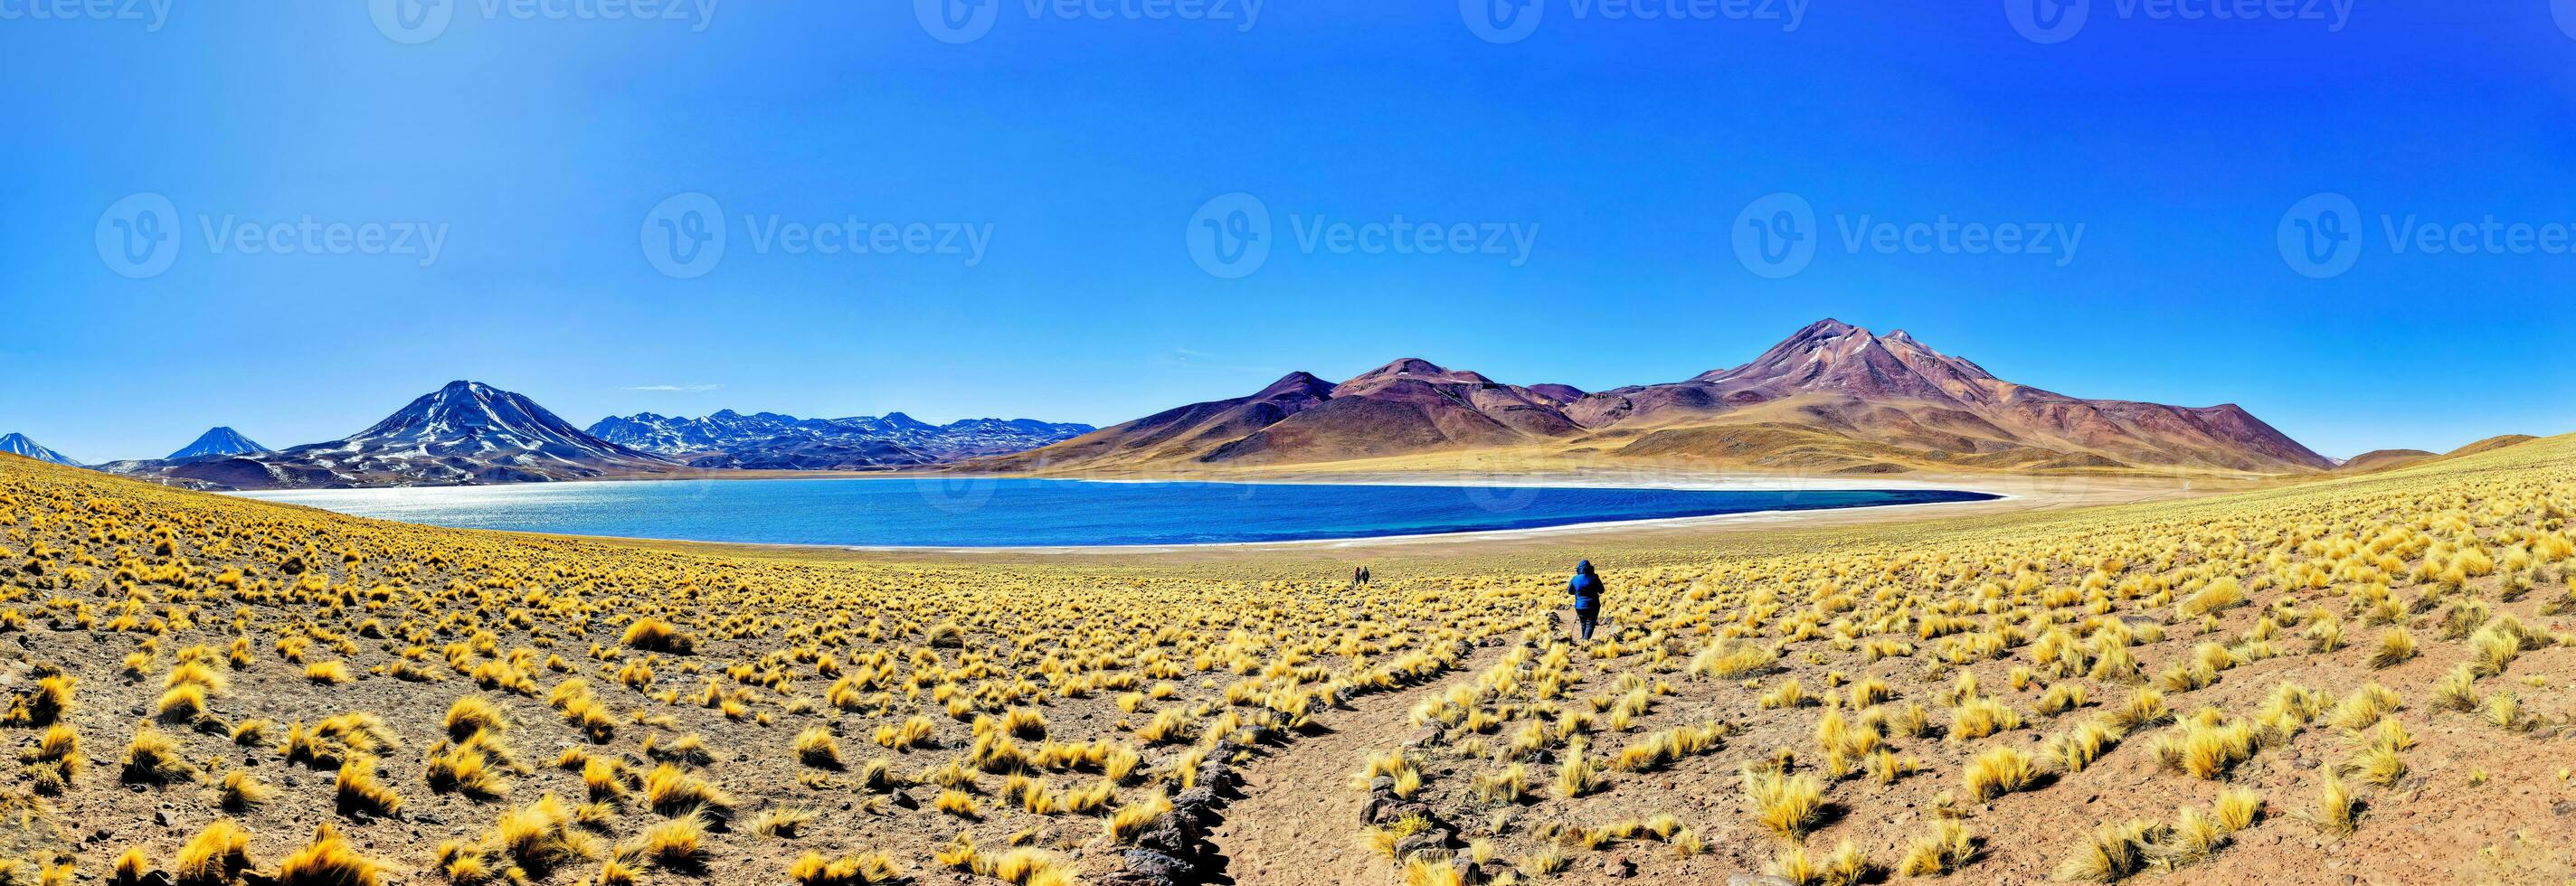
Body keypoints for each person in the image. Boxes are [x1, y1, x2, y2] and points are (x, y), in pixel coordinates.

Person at [1567, 560, 1605, 640]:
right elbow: (1601, 590)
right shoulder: (1594, 578)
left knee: (1583, 623)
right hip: (1593, 605)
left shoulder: (1575, 579)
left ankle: (1583, 638)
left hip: (1579, 606)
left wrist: (1579, 593)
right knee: (1590, 624)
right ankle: (1585, 641)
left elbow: (1570, 591)